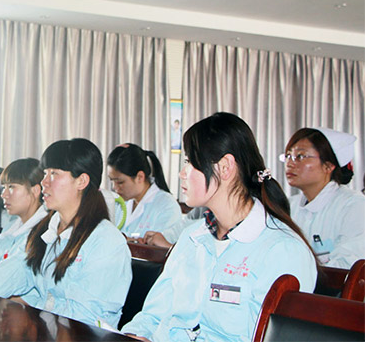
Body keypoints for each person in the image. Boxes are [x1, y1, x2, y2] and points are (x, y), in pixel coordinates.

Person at [122, 113, 317, 342]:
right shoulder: (191, 238)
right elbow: (151, 316)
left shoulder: (283, 251)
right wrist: (134, 335)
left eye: (190, 162)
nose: (182, 173)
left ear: (225, 167)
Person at [0, 138, 132, 329]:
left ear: (81, 181)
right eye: (45, 173)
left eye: (54, 174)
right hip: (46, 330)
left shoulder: (106, 242)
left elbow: (85, 316)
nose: (44, 182)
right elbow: (17, 269)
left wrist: (33, 308)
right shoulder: (45, 230)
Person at [283, 127, 365, 269]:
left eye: (300, 156)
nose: (290, 163)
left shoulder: (354, 205)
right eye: (288, 156)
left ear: (328, 166)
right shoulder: (287, 206)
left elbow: (348, 264)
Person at [0, 158, 47, 274]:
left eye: (12, 187)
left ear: (35, 190)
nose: (4, 195)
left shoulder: (42, 233)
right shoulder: (9, 227)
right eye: (4, 187)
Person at [107, 144, 181, 239]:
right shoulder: (119, 204)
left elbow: (163, 243)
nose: (114, 187)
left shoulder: (167, 205)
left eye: (120, 182)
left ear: (140, 177)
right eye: (112, 181)